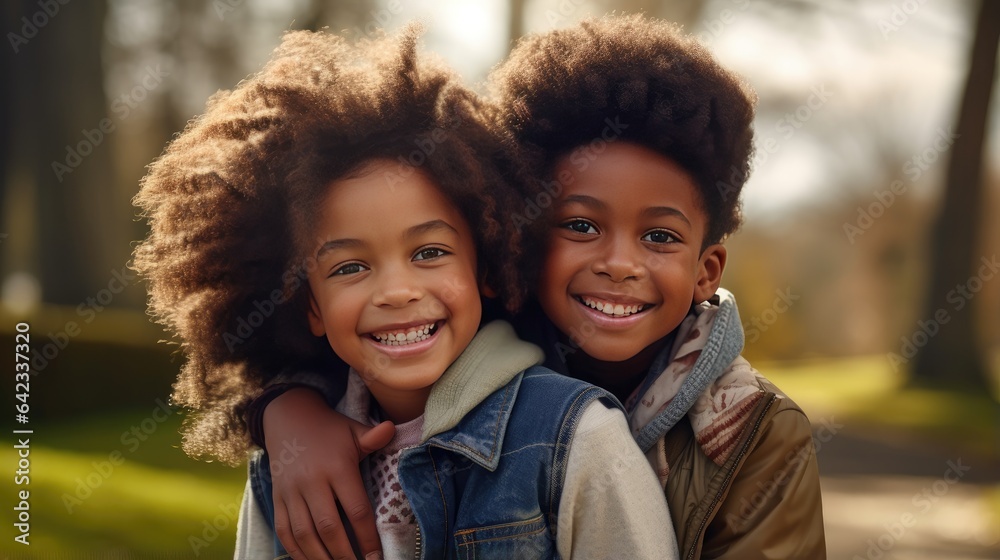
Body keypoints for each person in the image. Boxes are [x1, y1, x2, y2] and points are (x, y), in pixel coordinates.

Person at [251, 14, 826, 560]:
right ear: (517, 234)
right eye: (581, 226)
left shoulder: (755, 432)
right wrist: (285, 411)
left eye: (659, 236)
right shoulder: (467, 322)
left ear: (707, 270)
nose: (619, 265)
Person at [133, 26, 678, 560]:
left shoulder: (576, 439)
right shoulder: (284, 468)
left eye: (429, 252)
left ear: (486, 269)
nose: (396, 292)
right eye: (350, 266)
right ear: (312, 306)